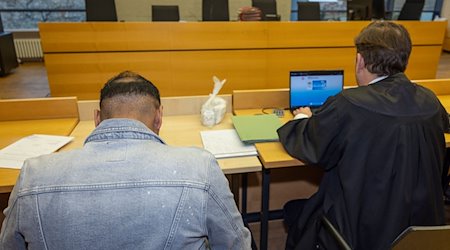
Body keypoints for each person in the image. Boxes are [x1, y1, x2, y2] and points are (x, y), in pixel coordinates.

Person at [0, 71, 252, 249]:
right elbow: (235, 245)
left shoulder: (33, 175)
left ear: (97, 118)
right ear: (159, 118)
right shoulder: (200, 168)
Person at [278, 21, 449, 250]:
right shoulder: (429, 99)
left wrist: (302, 119)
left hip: (359, 232)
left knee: (301, 213)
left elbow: (310, 143)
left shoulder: (348, 104)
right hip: (419, 233)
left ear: (359, 60)